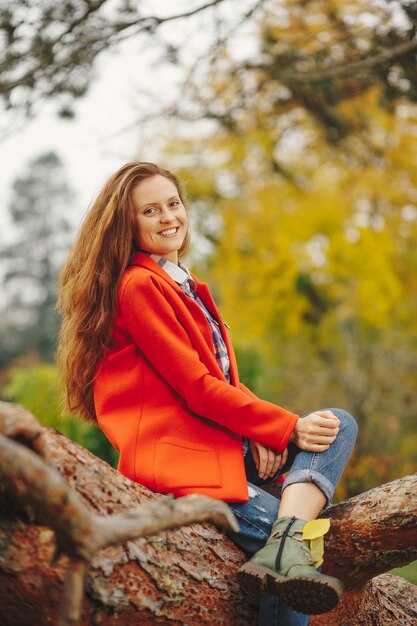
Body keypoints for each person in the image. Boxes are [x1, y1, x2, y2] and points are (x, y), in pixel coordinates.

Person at [57, 161, 358, 626]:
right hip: (181, 466)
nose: (167, 217)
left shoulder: (179, 283)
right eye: (150, 211)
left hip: (217, 447)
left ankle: (284, 542)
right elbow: (198, 390)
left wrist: (263, 429)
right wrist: (285, 427)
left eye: (173, 204)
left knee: (338, 423)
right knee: (301, 558)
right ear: (126, 223)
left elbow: (220, 380)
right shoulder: (139, 286)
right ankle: (287, 546)